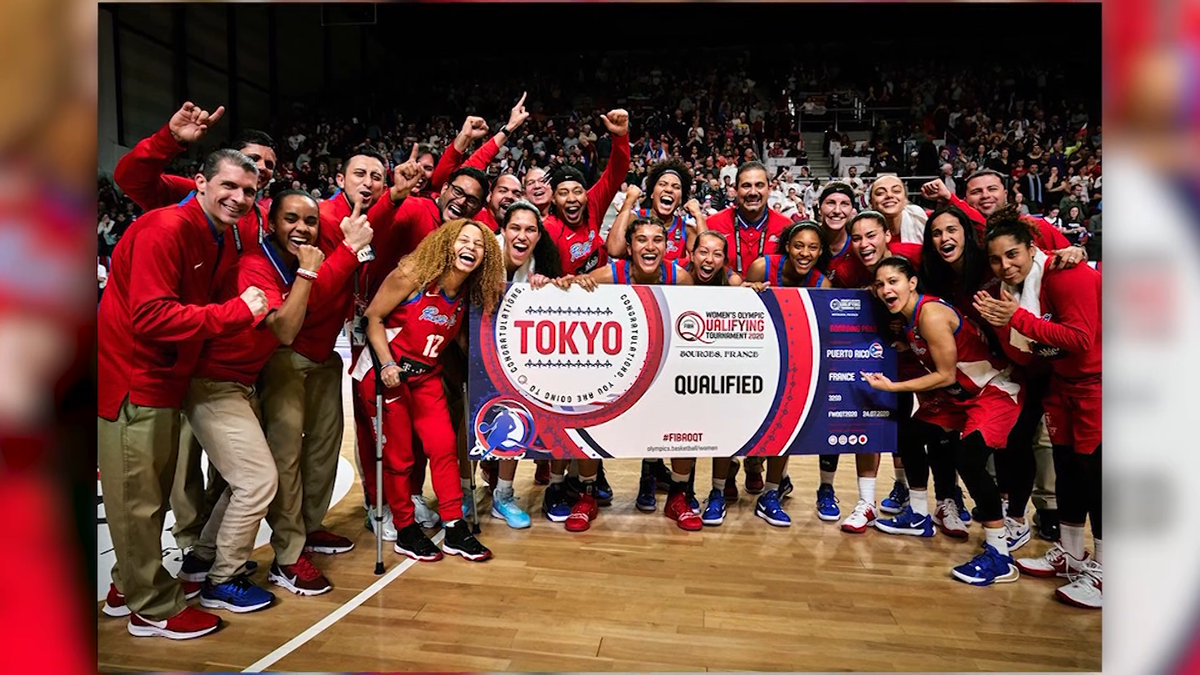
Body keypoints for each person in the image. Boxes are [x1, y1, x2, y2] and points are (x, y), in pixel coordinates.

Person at [98, 149, 268, 639]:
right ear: (200, 182)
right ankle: (151, 608)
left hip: (162, 381)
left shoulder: (212, 232)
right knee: (138, 500)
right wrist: (236, 312)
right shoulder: (165, 229)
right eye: (229, 186)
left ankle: (124, 585)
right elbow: (149, 316)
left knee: (147, 495)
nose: (238, 198)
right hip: (135, 381)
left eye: (249, 191)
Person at [184, 190, 369, 608]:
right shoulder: (256, 265)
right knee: (260, 479)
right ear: (271, 222)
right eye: (291, 219)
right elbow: (285, 330)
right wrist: (314, 270)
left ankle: (202, 559)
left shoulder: (287, 259)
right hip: (216, 382)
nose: (301, 229)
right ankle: (225, 578)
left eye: (309, 221)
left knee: (246, 479)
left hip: (242, 380)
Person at [113, 101, 278, 558]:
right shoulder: (185, 209)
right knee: (175, 469)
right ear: (207, 178)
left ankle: (199, 555)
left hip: (219, 359)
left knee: (221, 469)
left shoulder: (263, 215)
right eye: (249, 164)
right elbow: (131, 179)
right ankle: (189, 548)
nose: (257, 174)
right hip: (174, 358)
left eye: (265, 169)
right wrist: (168, 140)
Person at [864, 256, 1023, 586]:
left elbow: (945, 373)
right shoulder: (909, 318)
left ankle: (1000, 556)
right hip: (960, 397)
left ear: (912, 283)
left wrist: (892, 386)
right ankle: (919, 514)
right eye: (879, 284)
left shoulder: (931, 314)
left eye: (893, 281)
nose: (885, 289)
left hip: (994, 391)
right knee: (908, 432)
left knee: (969, 459)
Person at [356, 219, 505, 561]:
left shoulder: (468, 292)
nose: (470, 247)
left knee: (443, 447)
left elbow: (463, 341)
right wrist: (386, 363)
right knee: (399, 457)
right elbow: (374, 318)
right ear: (447, 243)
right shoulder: (412, 276)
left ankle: (454, 527)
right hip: (385, 374)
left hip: (425, 375)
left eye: (479, 244)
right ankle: (406, 530)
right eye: (463, 240)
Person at [977, 209, 1103, 608]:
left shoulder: (1068, 275)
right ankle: (1071, 553)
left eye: (1013, 255)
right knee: (1068, 469)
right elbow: (1031, 357)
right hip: (1063, 385)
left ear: (1033, 248)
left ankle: (1106, 574)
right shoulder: (1011, 292)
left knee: (1097, 477)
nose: (1005, 266)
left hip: (1100, 383)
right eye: (996, 260)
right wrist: (1003, 324)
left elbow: (1080, 339)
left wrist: (1018, 319)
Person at [569, 218, 697, 531]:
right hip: (619, 366)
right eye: (641, 240)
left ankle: (678, 495)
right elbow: (569, 299)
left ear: (666, 247)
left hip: (663, 364)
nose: (649, 246)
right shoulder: (609, 275)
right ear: (629, 248)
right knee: (587, 411)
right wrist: (572, 283)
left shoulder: (679, 278)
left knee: (688, 416)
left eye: (657, 240)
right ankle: (586, 494)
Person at [735, 221, 832, 527]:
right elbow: (739, 308)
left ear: (821, 251)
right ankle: (746, 468)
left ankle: (773, 489)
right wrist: (747, 290)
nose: (805, 253)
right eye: (799, 246)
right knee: (747, 421)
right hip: (757, 354)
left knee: (785, 423)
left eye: (813, 247)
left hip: (794, 359)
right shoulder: (763, 267)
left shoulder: (822, 283)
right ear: (787, 246)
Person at [486, 200, 565, 528]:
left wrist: (548, 288)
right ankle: (463, 491)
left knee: (511, 417)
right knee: (462, 426)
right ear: (502, 231)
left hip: (512, 354)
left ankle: (503, 495)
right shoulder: (483, 249)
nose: (522, 235)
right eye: (515, 228)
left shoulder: (541, 260)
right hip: (465, 346)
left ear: (538, 234)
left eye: (530, 229)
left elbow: (559, 299)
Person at [544, 109, 631, 276]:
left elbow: (616, 172)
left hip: (602, 288)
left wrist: (620, 137)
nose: (571, 199)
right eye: (563, 193)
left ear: (585, 194)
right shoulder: (549, 228)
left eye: (577, 191)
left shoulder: (592, 204)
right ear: (553, 199)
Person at [607, 159, 707, 266]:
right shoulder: (634, 219)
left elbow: (706, 258)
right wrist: (629, 201)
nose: (669, 189)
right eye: (663, 184)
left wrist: (698, 215)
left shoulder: (686, 229)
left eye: (676, 187)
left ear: (681, 199)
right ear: (652, 193)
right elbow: (614, 250)